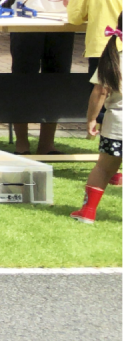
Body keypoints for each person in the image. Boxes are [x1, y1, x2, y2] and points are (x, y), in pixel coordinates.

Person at [10, 0, 121, 154]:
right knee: (23, 78)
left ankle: (46, 143)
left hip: (65, 21)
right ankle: (21, 142)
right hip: (29, 16)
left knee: (57, 79)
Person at [72, 19, 121, 224]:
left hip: (117, 126)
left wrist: (92, 118)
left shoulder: (114, 60)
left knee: (103, 169)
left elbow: (100, 91)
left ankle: (88, 211)